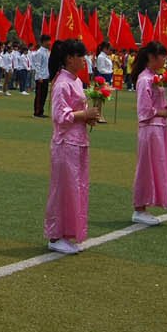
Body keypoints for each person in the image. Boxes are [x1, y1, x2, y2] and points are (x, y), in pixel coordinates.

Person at [45, 39, 99, 254]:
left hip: (79, 141)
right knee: (62, 189)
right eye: (81, 56)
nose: (84, 60)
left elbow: (75, 111)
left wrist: (87, 118)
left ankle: (68, 232)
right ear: (70, 58)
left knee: (76, 188)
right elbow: (60, 116)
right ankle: (55, 235)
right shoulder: (62, 83)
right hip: (66, 142)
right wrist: (83, 115)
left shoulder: (76, 81)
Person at [132, 41, 167, 225]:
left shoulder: (156, 77)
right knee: (147, 167)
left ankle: (146, 204)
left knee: (158, 165)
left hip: (160, 127)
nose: (165, 59)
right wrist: (162, 112)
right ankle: (139, 207)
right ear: (151, 57)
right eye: (162, 55)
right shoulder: (144, 79)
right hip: (150, 128)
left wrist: (166, 109)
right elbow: (144, 110)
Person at [32, 34, 52, 118]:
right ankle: (37, 112)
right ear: (44, 42)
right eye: (48, 41)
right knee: (39, 95)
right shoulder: (39, 52)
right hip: (41, 77)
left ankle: (41, 111)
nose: (49, 43)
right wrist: (39, 76)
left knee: (44, 95)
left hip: (46, 76)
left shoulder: (47, 51)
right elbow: (37, 65)